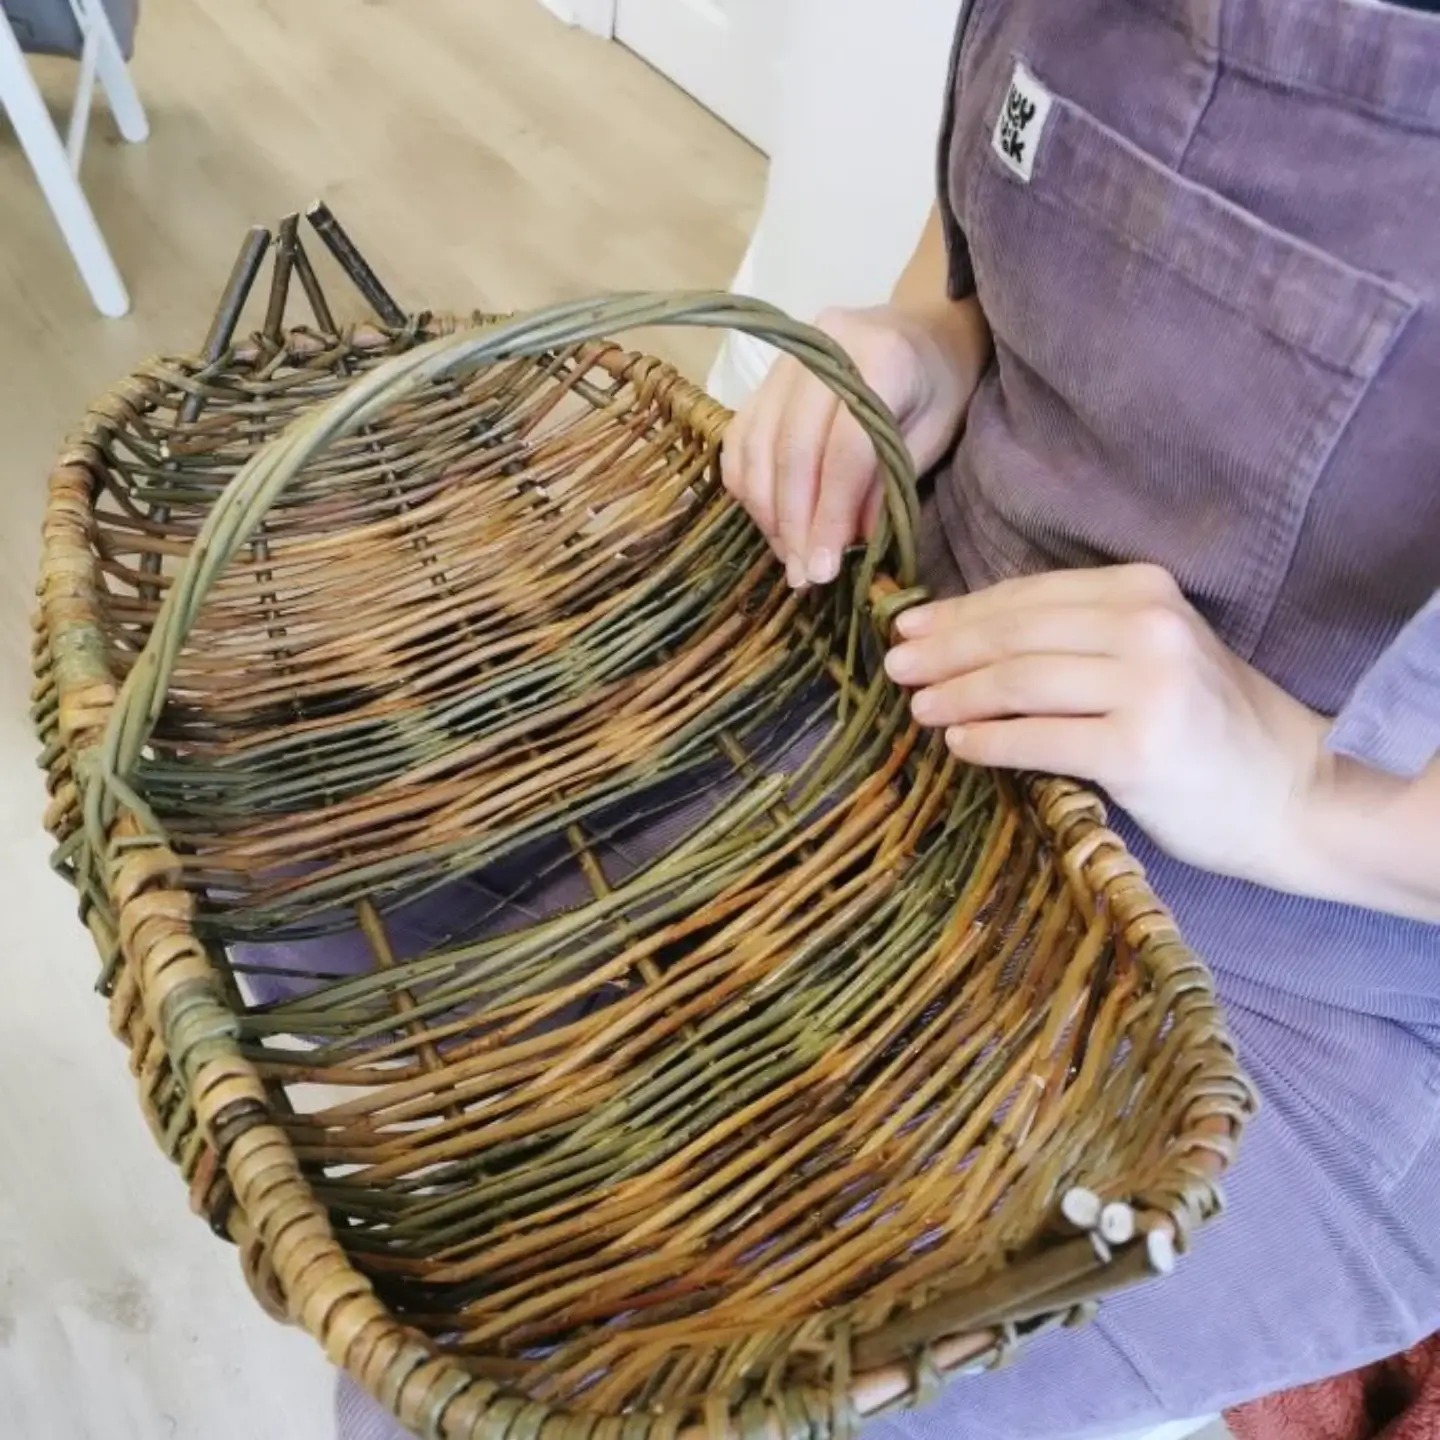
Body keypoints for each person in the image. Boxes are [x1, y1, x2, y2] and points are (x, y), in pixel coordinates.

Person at [339, 0, 1439, 1434]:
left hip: (1311, 957)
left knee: (605, 1384)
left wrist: (1301, 794)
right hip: (927, 677)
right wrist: (932, 344)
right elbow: (995, 219)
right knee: (377, 986)